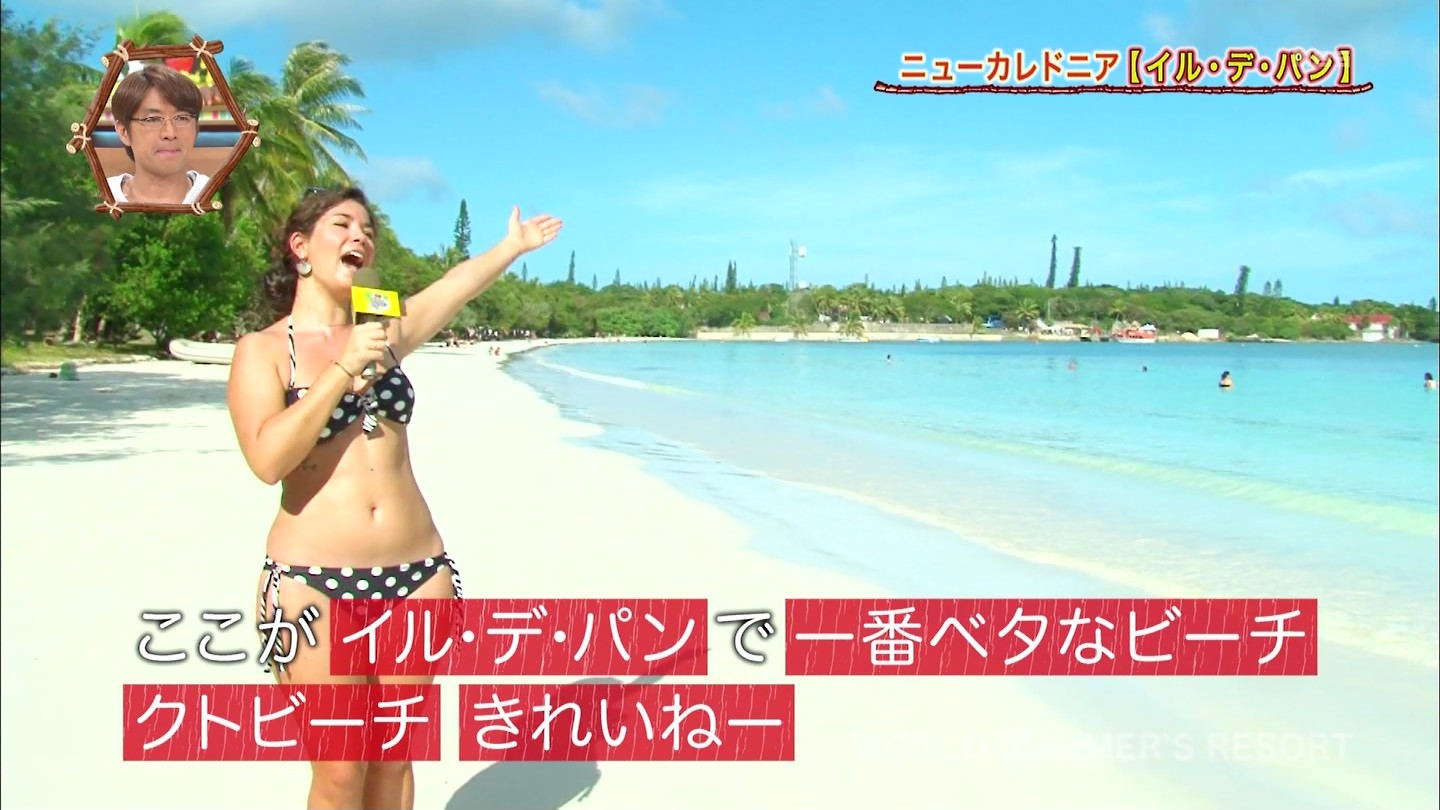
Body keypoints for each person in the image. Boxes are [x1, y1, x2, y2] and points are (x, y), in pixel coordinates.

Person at [225, 187, 562, 809]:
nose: (360, 236)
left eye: (368, 228)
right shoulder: (263, 351)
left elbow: (453, 288)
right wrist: (341, 371)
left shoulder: (382, 334)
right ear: (300, 247)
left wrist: (511, 248)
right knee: (338, 771)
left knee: (393, 758)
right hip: (312, 583)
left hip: (417, 575)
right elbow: (268, 460)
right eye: (341, 224)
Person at [107, 63, 211, 205]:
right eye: (153, 119)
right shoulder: (101, 197)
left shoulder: (216, 196)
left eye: (182, 118)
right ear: (124, 132)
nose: (170, 133)